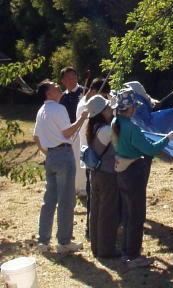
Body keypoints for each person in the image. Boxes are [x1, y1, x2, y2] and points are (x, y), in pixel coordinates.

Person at [111, 88, 173, 269]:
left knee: (127, 213)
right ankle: (133, 255)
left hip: (121, 171)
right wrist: (167, 139)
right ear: (130, 107)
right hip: (133, 173)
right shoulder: (131, 127)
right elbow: (151, 150)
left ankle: (126, 251)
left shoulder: (115, 122)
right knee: (136, 215)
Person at [33, 80, 88, 253]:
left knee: (49, 200)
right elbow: (67, 132)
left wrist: (48, 153)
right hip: (63, 154)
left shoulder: (41, 111)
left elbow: (36, 137)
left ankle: (43, 241)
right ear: (48, 93)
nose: (57, 86)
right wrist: (82, 119)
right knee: (66, 200)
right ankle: (64, 242)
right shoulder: (59, 109)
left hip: (50, 156)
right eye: (54, 85)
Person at [85, 95, 120, 258]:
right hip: (107, 174)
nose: (110, 110)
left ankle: (96, 247)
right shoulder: (107, 130)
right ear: (101, 112)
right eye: (107, 108)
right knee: (107, 213)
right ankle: (106, 250)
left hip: (96, 172)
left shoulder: (93, 127)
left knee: (96, 211)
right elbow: (120, 143)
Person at [76, 78, 111, 236]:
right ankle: (97, 233)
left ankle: (91, 230)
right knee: (99, 202)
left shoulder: (87, 108)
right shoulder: (87, 108)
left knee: (94, 200)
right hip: (98, 163)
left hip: (91, 160)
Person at [59, 67, 86, 196]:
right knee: (73, 159)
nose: (72, 80)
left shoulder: (84, 91)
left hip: (84, 129)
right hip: (70, 131)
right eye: (69, 78)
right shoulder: (62, 97)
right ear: (63, 81)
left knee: (81, 157)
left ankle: (83, 188)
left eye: (74, 77)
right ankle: (74, 186)